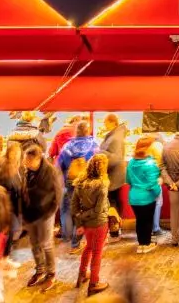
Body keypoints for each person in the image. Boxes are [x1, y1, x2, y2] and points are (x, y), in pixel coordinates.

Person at [18, 143, 62, 289]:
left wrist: (50, 212)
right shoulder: (27, 170)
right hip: (31, 213)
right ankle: (40, 270)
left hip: (45, 214)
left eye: (28, 161)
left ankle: (51, 273)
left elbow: (58, 194)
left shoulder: (50, 172)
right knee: (34, 243)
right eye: (25, 160)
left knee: (46, 244)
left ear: (37, 159)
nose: (25, 163)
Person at [56, 119, 99, 250]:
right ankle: (79, 239)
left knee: (70, 208)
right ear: (88, 131)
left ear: (76, 131)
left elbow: (58, 165)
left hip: (70, 181)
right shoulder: (94, 145)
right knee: (85, 209)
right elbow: (99, 165)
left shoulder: (67, 146)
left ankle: (68, 236)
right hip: (88, 182)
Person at [71, 153, 111, 295]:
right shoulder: (102, 185)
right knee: (97, 252)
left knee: (88, 247)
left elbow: (74, 207)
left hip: (86, 225)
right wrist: (85, 216)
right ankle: (94, 283)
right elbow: (98, 210)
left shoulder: (79, 183)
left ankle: (82, 274)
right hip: (99, 223)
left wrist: (80, 221)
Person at [126, 136, 163, 253]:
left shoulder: (131, 162)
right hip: (147, 198)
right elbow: (153, 185)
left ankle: (141, 243)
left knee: (140, 221)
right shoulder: (150, 164)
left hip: (134, 197)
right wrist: (158, 189)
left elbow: (128, 180)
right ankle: (146, 245)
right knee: (147, 221)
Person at [99, 115, 128, 215]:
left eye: (105, 122)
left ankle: (114, 227)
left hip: (114, 177)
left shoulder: (115, 138)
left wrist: (100, 152)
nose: (104, 125)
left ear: (112, 122)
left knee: (112, 201)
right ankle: (114, 226)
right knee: (113, 200)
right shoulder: (114, 135)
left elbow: (116, 159)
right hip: (115, 176)